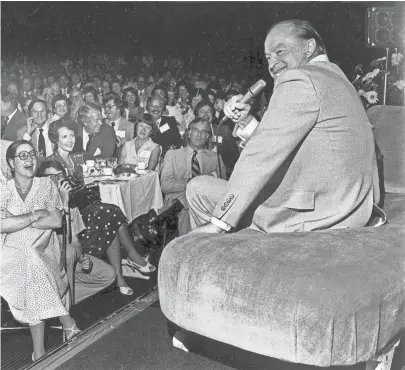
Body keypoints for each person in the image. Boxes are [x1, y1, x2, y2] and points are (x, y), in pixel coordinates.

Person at [187, 19, 381, 235]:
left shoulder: (300, 77)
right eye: (269, 57)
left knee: (198, 188)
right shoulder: (336, 77)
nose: (272, 63)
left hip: (316, 213)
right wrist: (246, 121)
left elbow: (262, 153)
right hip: (350, 207)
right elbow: (297, 144)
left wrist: (219, 222)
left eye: (280, 51)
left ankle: (208, 261)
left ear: (309, 47)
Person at [46, 119, 156, 295]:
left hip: (84, 209)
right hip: (69, 219)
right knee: (110, 212)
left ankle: (121, 275)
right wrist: (84, 187)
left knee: (110, 214)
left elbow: (92, 187)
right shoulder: (51, 163)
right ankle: (132, 259)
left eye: (72, 135)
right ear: (55, 140)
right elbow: (57, 199)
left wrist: (88, 184)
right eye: (64, 136)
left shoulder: (78, 157)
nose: (69, 140)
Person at [1, 140, 80, 360]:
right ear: (11, 162)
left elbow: (56, 220)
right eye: (22, 156)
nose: (29, 160)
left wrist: (19, 221)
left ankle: (40, 353)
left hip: (44, 250)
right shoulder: (3, 190)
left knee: (32, 260)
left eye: (32, 155)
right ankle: (67, 323)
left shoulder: (46, 185)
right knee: (30, 261)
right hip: (9, 256)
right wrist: (36, 215)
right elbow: (1, 225)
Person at [36, 160, 116, 304]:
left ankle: (63, 298)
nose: (55, 181)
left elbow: (75, 242)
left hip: (69, 260)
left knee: (108, 274)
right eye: (50, 177)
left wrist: (83, 259)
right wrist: (63, 204)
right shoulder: (41, 206)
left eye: (58, 176)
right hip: (50, 264)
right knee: (69, 253)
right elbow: (63, 247)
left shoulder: (72, 207)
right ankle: (65, 304)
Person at [159, 118, 226, 236]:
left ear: (208, 136)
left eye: (204, 131)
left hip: (204, 202)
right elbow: (165, 186)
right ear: (189, 133)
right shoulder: (173, 155)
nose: (200, 134)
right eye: (196, 130)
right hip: (177, 204)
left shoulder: (215, 158)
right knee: (186, 208)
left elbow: (223, 188)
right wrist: (190, 182)